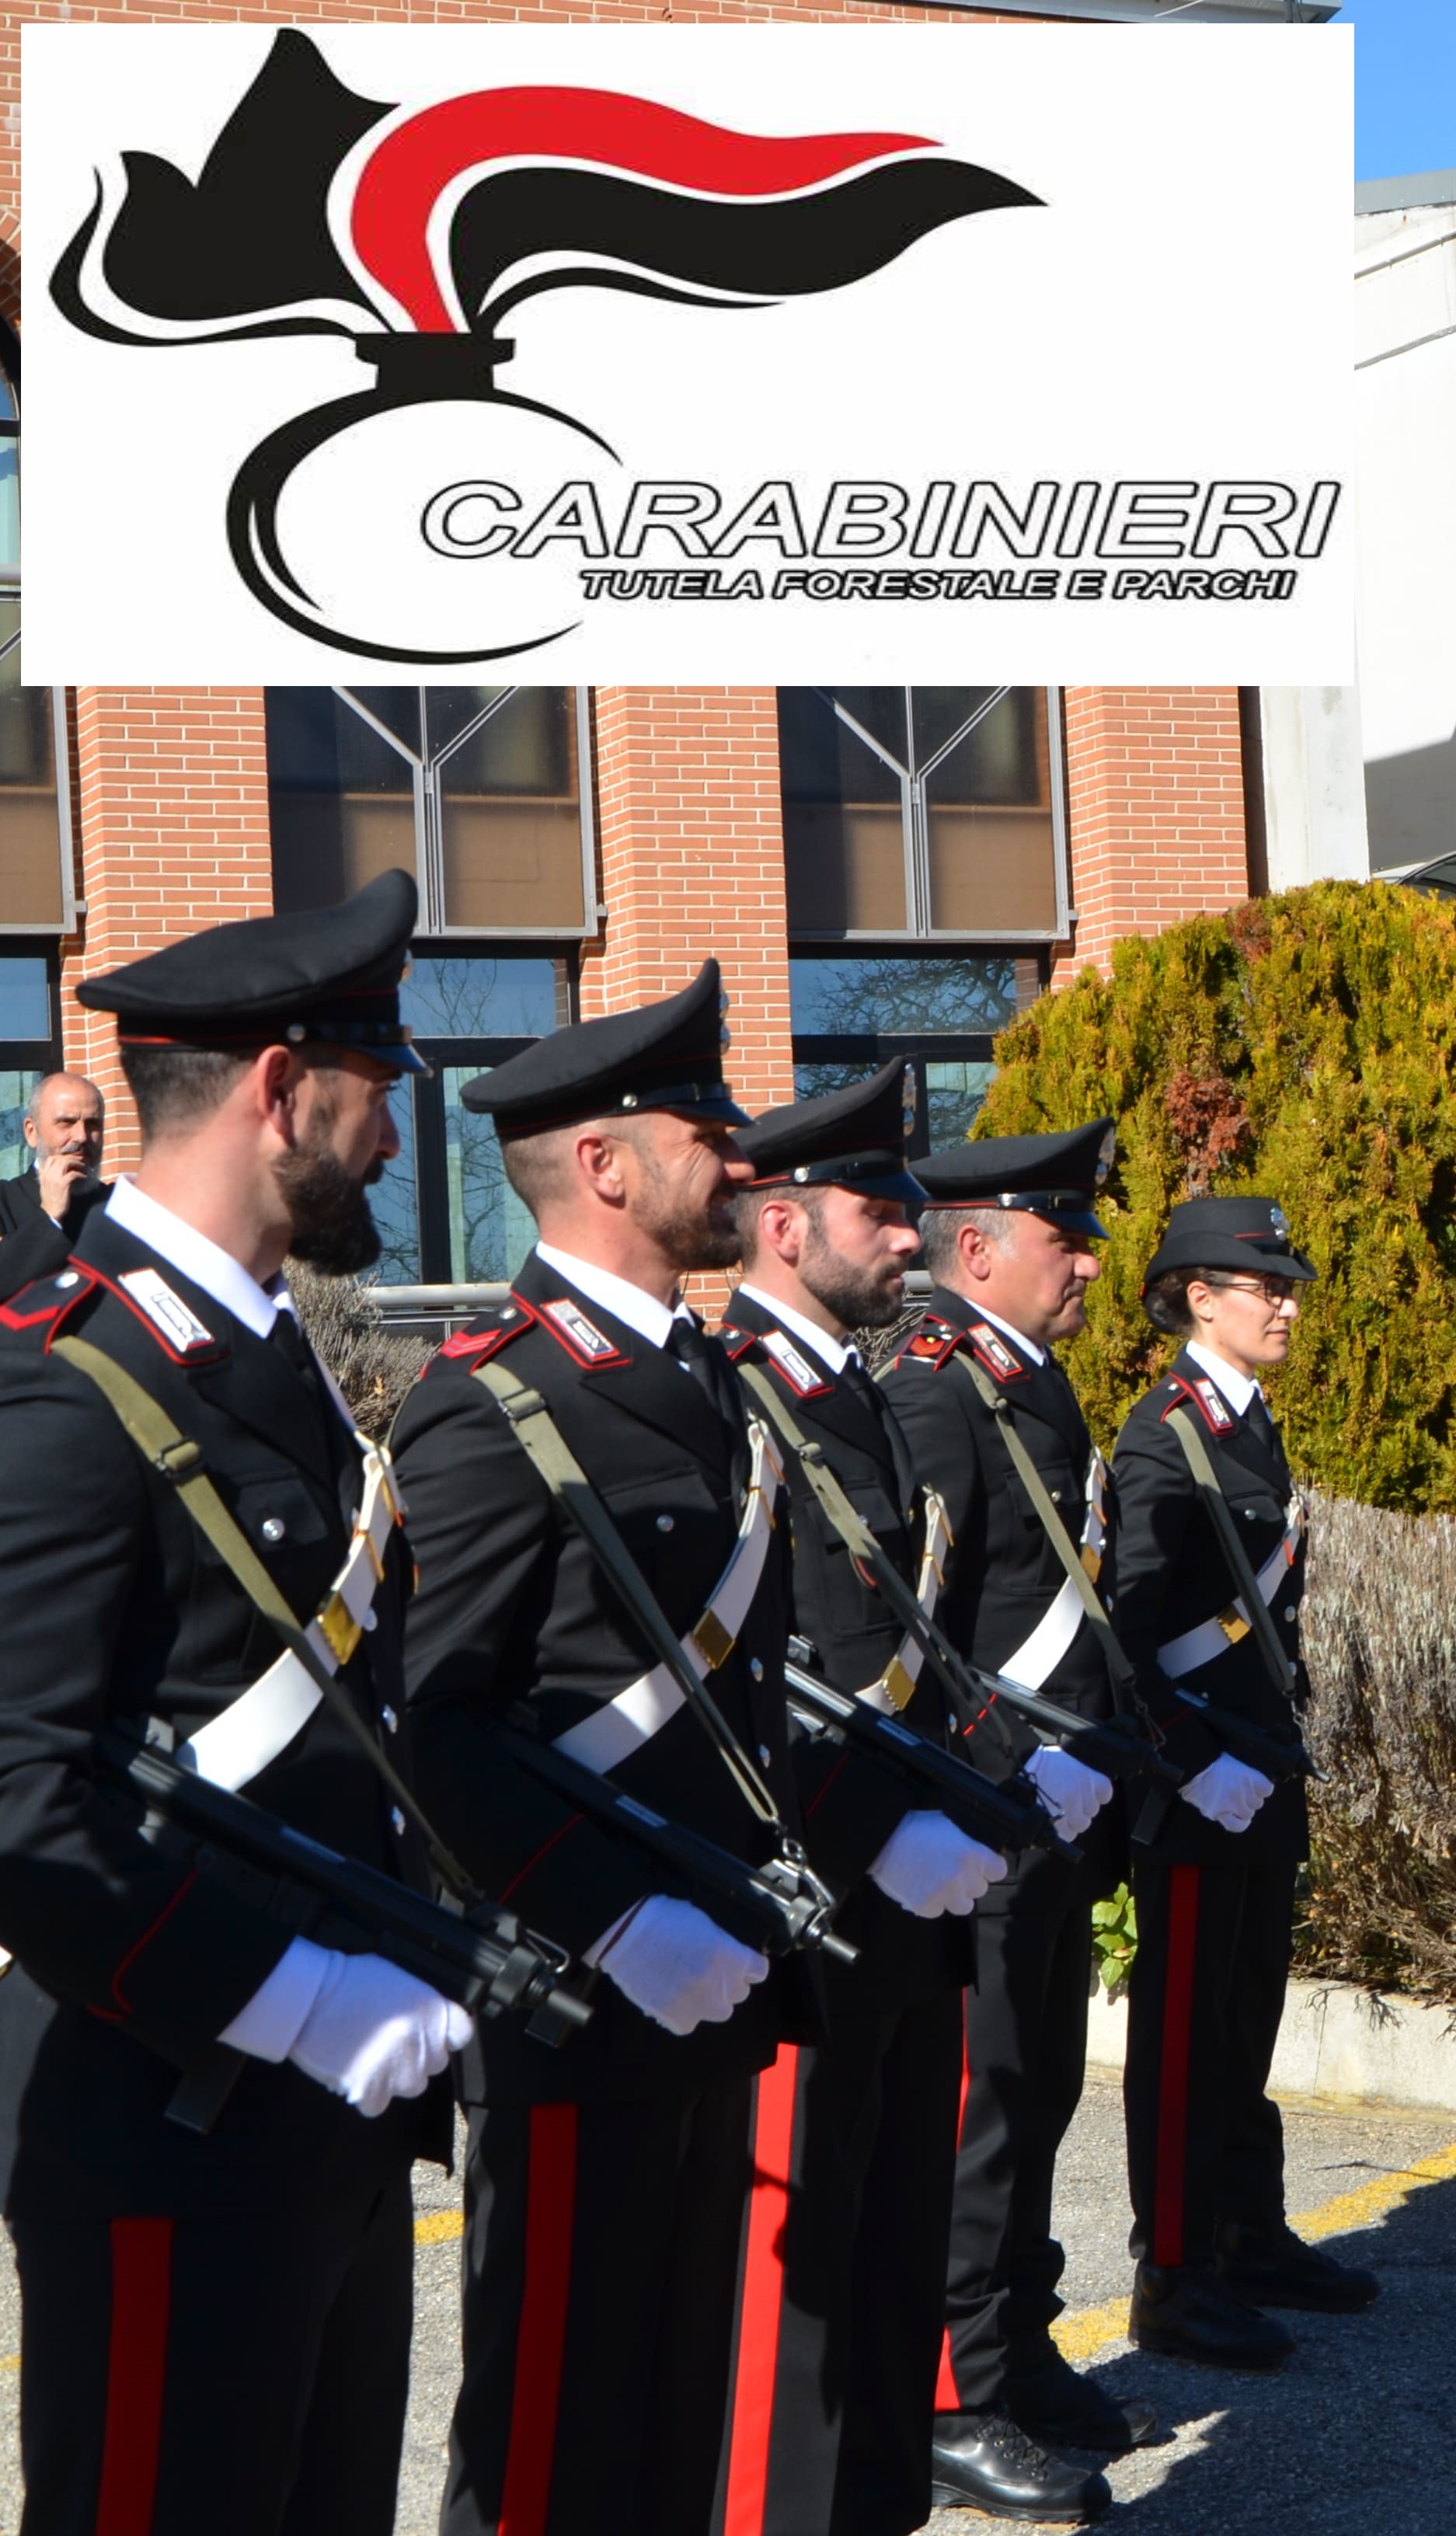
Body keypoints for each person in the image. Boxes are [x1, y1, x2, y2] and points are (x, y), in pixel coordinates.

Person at [0, 874, 471, 2533]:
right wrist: (295, 1997)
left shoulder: (265, 1357)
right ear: (284, 1088)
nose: (397, 1147)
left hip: (321, 2129)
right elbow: (20, 1799)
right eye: (379, 1097)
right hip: (165, 2119)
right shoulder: (63, 1379)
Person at [395, 961, 810, 2536]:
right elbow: (438, 1727)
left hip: (711, 1972)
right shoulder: (491, 1405)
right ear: (605, 1164)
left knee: (668, 2417)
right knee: (555, 2433)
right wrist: (618, 1917)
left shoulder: (699, 1377)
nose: (740, 1156)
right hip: (584, 1993)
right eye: (704, 1126)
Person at [716, 1061, 1078, 2532]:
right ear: (787, 1226)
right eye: (879, 1207)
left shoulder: (847, 1391)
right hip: (818, 1888)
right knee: (797, 2279)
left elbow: (912, 1639)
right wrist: (891, 1824)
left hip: (906, 1884)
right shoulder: (734, 1388)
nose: (908, 1232)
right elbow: (760, 1673)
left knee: (882, 2241)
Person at [886, 1121, 1156, 2477]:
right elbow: (911, 1626)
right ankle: (953, 2386)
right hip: (994, 1813)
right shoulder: (936, 1386)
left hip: (1058, 1809)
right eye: (1067, 1236)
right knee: (979, 2107)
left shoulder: (1030, 1381)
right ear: (977, 1248)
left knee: (1040, 2088)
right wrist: (1003, 1769)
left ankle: (1017, 2337)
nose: (1094, 1261)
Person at [1103, 1194, 1374, 2370]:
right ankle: (1171, 2271)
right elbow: (1124, 1632)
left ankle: (1243, 2229)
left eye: (1289, 1286)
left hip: (1260, 1766)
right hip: (1202, 1778)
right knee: (1185, 2034)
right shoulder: (1165, 1432)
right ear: (1197, 1296)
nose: (1289, 1305)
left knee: (1248, 2013)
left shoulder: (1245, 1423)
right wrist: (1192, 1762)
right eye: (1265, 1287)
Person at [0, 1066, 110, 1263]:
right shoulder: (5, 1202)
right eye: (66, 1123)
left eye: (92, 1124)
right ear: (31, 1132)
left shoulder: (115, 1206)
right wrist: (49, 1217)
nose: (81, 1136)